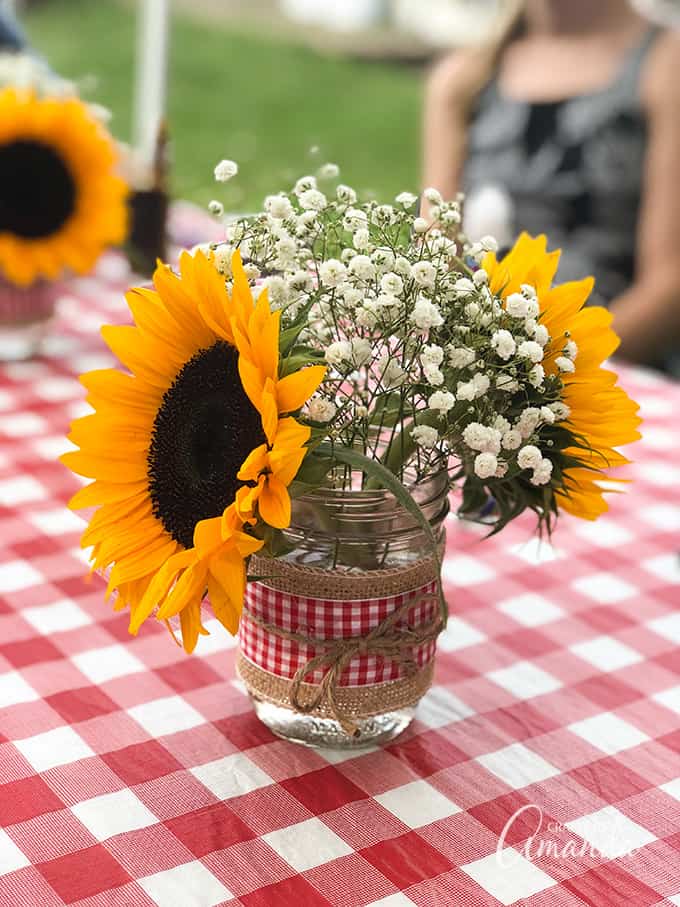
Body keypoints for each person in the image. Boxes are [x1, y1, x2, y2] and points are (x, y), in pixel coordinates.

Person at [423, 0, 680, 369]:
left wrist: (540, 369)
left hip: (617, 373)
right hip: (480, 374)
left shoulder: (665, 64)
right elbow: (435, 259)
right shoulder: (465, 78)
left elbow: (669, 289)